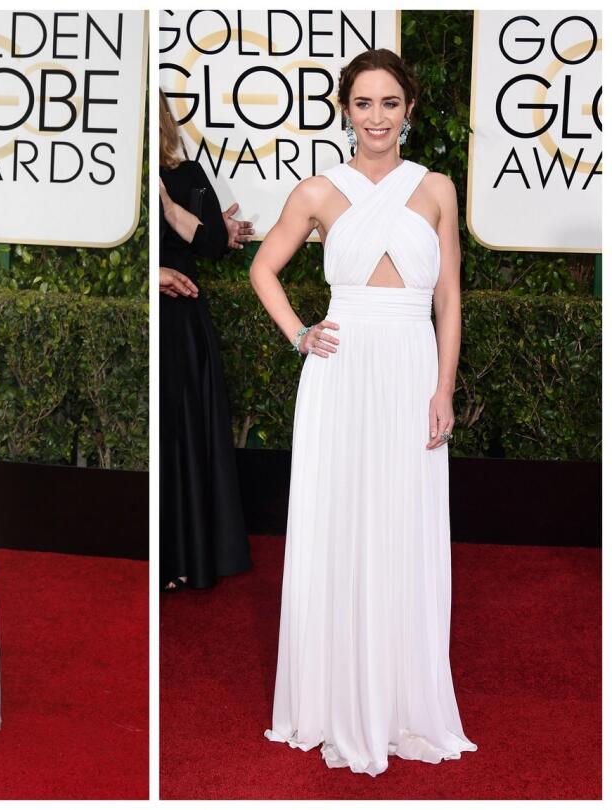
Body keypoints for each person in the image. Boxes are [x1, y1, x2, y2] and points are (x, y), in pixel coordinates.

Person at [249, 48, 475, 776]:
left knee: (403, 525)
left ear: (409, 108)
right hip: (340, 373)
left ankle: (403, 700)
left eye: (389, 103)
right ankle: (335, 697)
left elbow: (448, 298)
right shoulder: (317, 190)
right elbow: (263, 266)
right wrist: (297, 334)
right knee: (340, 524)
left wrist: (442, 389)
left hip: (411, 367)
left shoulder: (436, 187)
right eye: (363, 103)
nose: (376, 117)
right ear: (345, 110)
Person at [157, 91, 252, 592]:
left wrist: (169, 206)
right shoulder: (122, 187)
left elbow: (216, 244)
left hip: (185, 324)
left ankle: (186, 558)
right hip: (156, 319)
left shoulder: (188, 175)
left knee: (184, 435)